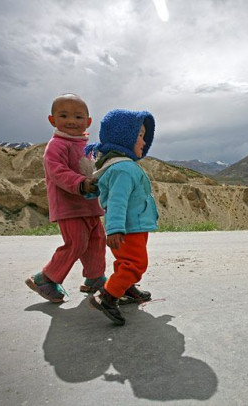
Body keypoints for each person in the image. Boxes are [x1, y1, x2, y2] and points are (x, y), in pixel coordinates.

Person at [25, 93, 107, 303]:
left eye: (78, 117)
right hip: (69, 207)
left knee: (97, 241)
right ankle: (45, 278)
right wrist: (81, 183)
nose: (71, 121)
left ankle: (94, 278)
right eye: (64, 115)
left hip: (90, 206)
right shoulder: (56, 145)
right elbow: (57, 172)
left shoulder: (85, 146)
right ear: (52, 120)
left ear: (88, 121)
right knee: (77, 242)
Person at [85, 109, 159, 325]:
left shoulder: (118, 166)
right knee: (135, 264)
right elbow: (117, 201)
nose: (144, 142)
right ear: (123, 137)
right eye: (140, 135)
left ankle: (126, 289)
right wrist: (115, 228)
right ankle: (107, 297)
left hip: (132, 227)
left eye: (145, 136)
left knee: (126, 262)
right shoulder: (124, 169)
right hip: (127, 229)